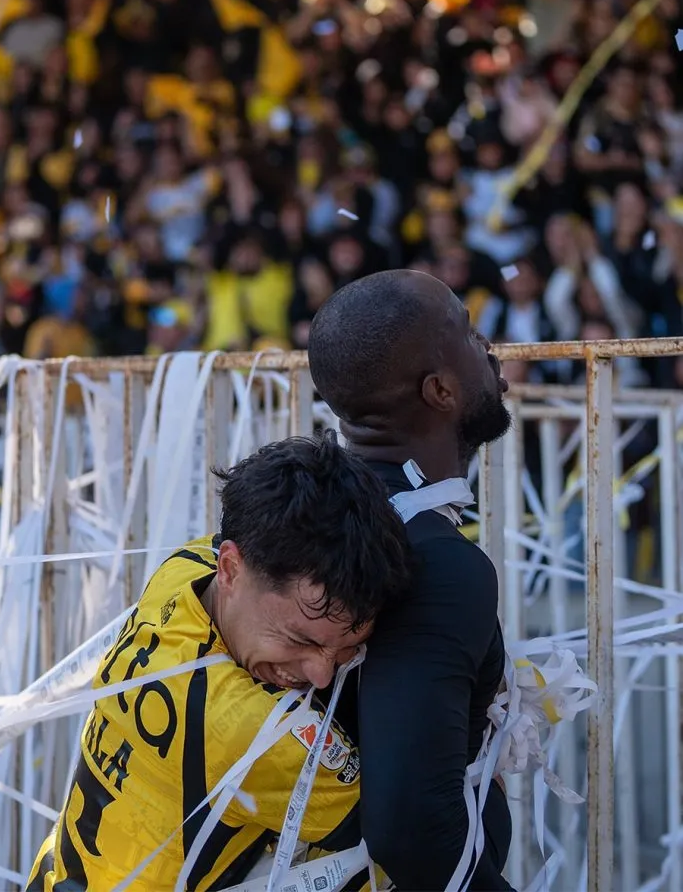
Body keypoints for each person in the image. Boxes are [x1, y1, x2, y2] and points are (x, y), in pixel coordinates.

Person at [26, 432, 411, 892]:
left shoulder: (186, 569)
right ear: (231, 570)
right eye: (299, 640)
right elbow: (413, 835)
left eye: (349, 648)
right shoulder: (253, 733)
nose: (322, 673)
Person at [308, 269, 515, 891]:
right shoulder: (438, 565)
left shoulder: (307, 506)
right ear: (440, 391)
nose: (489, 348)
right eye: (470, 334)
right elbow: (412, 833)